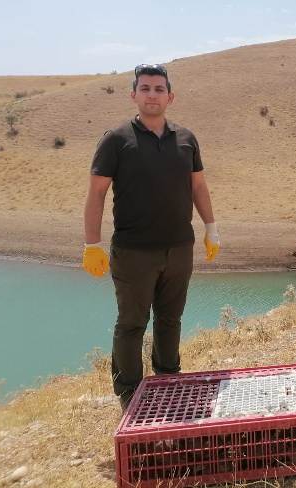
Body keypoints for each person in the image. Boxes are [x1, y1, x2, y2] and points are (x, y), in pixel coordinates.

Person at [82, 63, 221, 408]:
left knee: (170, 319)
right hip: (133, 252)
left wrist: (211, 227)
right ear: (133, 95)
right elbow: (96, 193)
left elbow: (199, 185)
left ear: (170, 97)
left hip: (179, 248)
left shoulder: (186, 138)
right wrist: (91, 244)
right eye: (145, 88)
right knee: (132, 323)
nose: (152, 95)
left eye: (159, 89)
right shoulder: (116, 140)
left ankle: (168, 381)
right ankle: (129, 395)